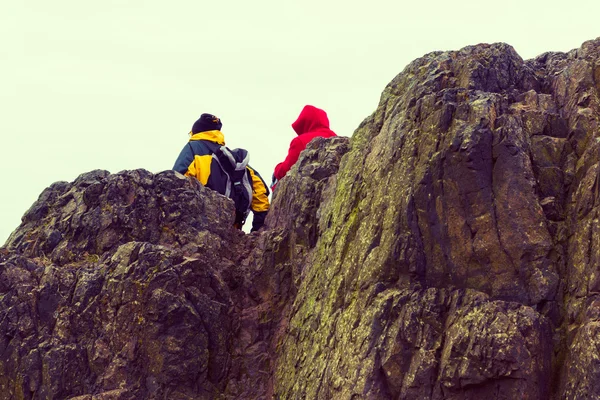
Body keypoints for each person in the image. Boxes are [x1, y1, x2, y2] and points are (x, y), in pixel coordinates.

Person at [173, 113, 270, 232]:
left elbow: (176, 183)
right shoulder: (235, 161)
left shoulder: (193, 148)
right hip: (233, 233)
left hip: (201, 228)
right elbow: (260, 195)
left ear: (195, 133)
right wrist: (257, 232)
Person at [272, 105, 337, 189]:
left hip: (308, 192)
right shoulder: (335, 137)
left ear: (303, 122)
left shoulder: (300, 141)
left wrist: (277, 168)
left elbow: (285, 170)